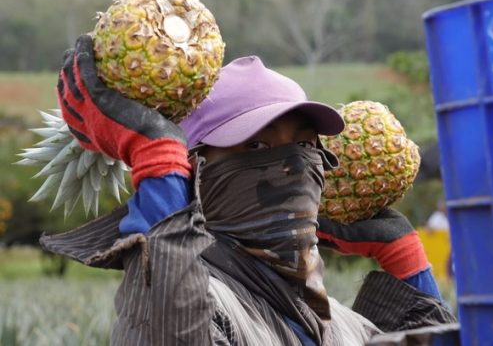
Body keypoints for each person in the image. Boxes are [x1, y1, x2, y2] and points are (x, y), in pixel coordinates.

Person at [42, 35, 455, 345]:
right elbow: (173, 324)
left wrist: (404, 261)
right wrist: (160, 169)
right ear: (195, 172)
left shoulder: (344, 325)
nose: (292, 166)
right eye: (256, 146)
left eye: (305, 146)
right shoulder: (208, 303)